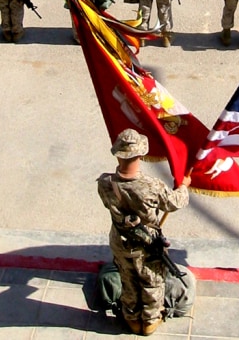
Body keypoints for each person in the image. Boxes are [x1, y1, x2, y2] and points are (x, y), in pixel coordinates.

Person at [97, 129, 190, 336]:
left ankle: (131, 317)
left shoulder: (104, 183)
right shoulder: (151, 186)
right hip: (147, 246)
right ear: (140, 155)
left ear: (118, 154)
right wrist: (184, 187)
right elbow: (174, 203)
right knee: (152, 282)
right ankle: (149, 321)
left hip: (121, 243)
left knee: (127, 280)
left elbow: (108, 204)